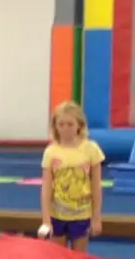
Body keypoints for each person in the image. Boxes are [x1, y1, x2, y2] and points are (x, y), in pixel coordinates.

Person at [40, 101, 104, 251]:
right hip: (57, 215)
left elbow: (96, 187)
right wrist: (46, 219)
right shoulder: (51, 152)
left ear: (79, 125)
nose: (65, 129)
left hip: (81, 215)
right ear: (55, 126)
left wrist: (96, 217)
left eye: (70, 124)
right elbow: (46, 189)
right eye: (61, 124)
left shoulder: (91, 149)